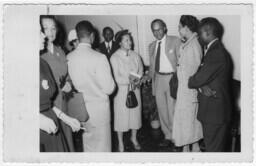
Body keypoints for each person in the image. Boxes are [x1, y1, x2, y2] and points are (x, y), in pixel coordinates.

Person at [67, 20, 115, 152]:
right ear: (92, 36)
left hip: (80, 111)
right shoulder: (99, 57)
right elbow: (109, 88)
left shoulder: (69, 57)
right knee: (103, 150)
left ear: (77, 36)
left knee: (88, 148)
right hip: (99, 113)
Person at [188, 17, 233, 152]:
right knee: (212, 148)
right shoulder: (213, 49)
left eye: (199, 33)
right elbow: (204, 78)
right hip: (213, 111)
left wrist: (196, 82)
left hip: (215, 113)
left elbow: (194, 80)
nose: (197, 36)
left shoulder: (216, 53)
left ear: (208, 32)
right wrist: (202, 86)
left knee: (213, 151)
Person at [40, 30, 80, 152]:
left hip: (61, 103)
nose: (48, 33)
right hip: (50, 106)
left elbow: (66, 75)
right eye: (45, 28)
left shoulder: (60, 51)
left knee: (66, 142)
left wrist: (69, 83)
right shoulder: (40, 56)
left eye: (53, 28)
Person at [146, 19, 181, 147]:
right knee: (162, 110)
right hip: (158, 80)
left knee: (173, 110)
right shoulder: (151, 46)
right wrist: (146, 77)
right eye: (154, 30)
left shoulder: (175, 41)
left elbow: (181, 62)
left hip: (172, 79)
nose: (157, 33)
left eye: (159, 29)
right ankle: (167, 135)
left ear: (165, 28)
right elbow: (152, 68)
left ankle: (176, 138)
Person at [172, 15, 203, 152]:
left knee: (188, 121)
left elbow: (194, 72)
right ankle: (191, 147)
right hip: (184, 89)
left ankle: (189, 150)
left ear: (186, 28)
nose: (178, 30)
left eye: (180, 27)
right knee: (188, 121)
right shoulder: (189, 43)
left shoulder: (194, 45)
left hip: (188, 91)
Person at [110, 30, 144, 152]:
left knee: (135, 116)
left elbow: (140, 71)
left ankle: (134, 138)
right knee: (121, 117)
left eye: (130, 39)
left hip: (135, 90)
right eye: (126, 40)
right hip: (121, 92)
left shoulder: (136, 55)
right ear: (120, 43)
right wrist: (131, 80)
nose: (130, 42)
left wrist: (137, 79)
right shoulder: (114, 57)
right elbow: (116, 77)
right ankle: (120, 143)